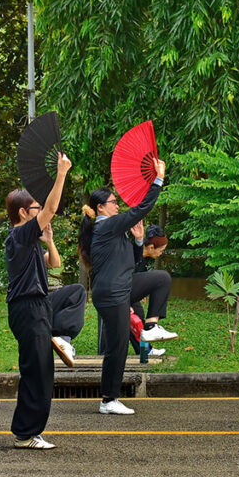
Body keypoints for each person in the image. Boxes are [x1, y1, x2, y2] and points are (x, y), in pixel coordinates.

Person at [79, 160, 167, 416]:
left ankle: (150, 326)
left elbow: (135, 263)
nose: (118, 205)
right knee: (117, 346)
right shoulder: (106, 225)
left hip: (122, 287)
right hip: (111, 294)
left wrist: (139, 240)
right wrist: (157, 180)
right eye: (114, 202)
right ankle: (108, 400)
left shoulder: (115, 230)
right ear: (101, 208)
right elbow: (141, 208)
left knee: (161, 278)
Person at [4, 153, 72, 450]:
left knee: (76, 294)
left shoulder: (30, 241)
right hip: (27, 309)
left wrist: (50, 241)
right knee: (38, 373)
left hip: (39, 306)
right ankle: (24, 434)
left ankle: (64, 335)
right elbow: (53, 207)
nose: (41, 210)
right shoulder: (18, 237)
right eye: (36, 208)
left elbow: (54, 265)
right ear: (23, 213)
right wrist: (61, 173)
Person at [129, 223, 175, 356]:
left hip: (128, 291)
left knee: (138, 317)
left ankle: (144, 351)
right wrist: (125, 302)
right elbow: (121, 278)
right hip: (119, 291)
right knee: (163, 278)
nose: (161, 254)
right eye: (160, 250)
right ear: (150, 247)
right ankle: (151, 327)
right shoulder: (132, 253)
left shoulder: (145, 258)